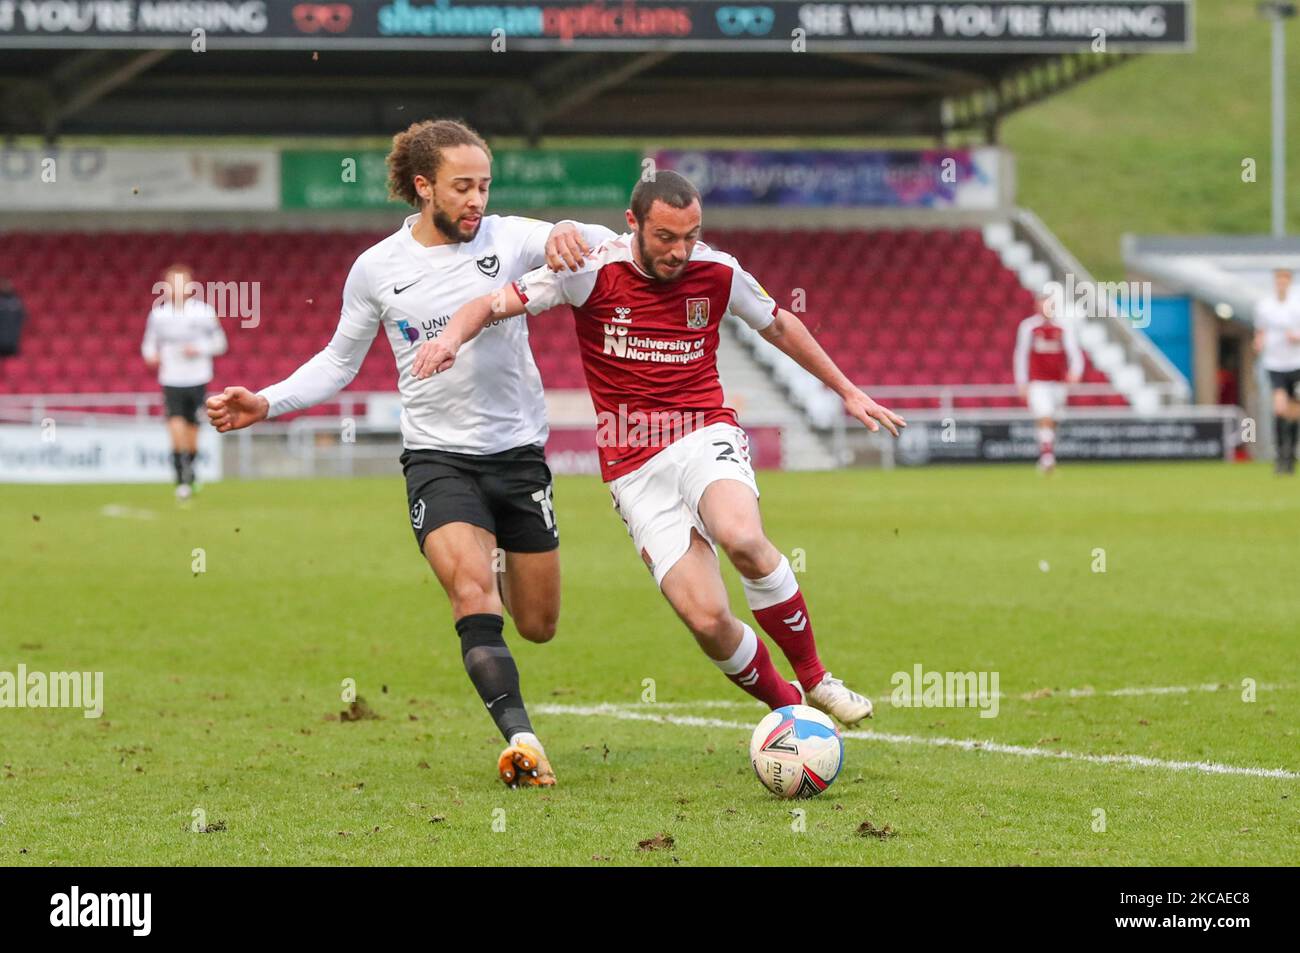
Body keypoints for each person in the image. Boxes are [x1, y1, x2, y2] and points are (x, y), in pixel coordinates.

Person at [206, 119, 613, 788]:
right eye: (462, 187)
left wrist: (571, 226)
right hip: (438, 459)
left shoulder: (510, 239)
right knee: (469, 590)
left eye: (484, 185)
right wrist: (268, 402)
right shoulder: (378, 269)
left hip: (517, 457)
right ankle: (523, 741)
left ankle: (501, 551)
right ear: (424, 187)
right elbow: (339, 360)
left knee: (538, 625)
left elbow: (592, 241)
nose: (476, 199)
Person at [415, 171, 904, 726]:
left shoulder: (718, 271)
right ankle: (793, 713)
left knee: (741, 535)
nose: (680, 251)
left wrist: (847, 390)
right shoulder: (589, 269)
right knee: (707, 619)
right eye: (667, 237)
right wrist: (449, 339)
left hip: (702, 431)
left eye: (691, 236)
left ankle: (817, 679)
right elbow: (491, 303)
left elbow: (779, 325)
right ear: (634, 225)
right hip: (632, 465)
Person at [142, 264, 227, 499]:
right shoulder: (159, 315)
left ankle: (190, 474)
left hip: (198, 378)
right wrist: (151, 356)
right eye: (172, 284)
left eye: (182, 283)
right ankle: (181, 479)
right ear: (165, 287)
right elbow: (149, 343)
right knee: (175, 428)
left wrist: (199, 349)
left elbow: (221, 343)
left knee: (192, 434)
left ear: (190, 287)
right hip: (171, 379)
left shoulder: (204, 312)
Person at [1014, 290, 1082, 473]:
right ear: (1036, 306)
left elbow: (1074, 352)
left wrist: (1075, 372)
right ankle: (1047, 458)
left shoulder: (1064, 326)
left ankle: (1047, 452)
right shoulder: (1028, 327)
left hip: (1058, 383)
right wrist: (1021, 381)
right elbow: (1020, 355)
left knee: (1054, 419)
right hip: (1038, 382)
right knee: (1045, 415)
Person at [1252, 268, 1300, 475]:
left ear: (1289, 282)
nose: (1281, 284)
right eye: (1278, 281)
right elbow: (1260, 331)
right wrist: (1259, 342)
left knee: (1295, 411)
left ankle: (1291, 455)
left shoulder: (1297, 304)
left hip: (1296, 363)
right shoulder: (1265, 306)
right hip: (1275, 364)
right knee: (1280, 407)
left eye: (1284, 281)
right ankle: (1281, 454)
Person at [0, 277, 26, 357]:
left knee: (13, 364)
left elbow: (22, 317)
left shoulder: (17, 302)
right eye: (4, 285)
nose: (6, 287)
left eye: (8, 285)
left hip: (13, 340)